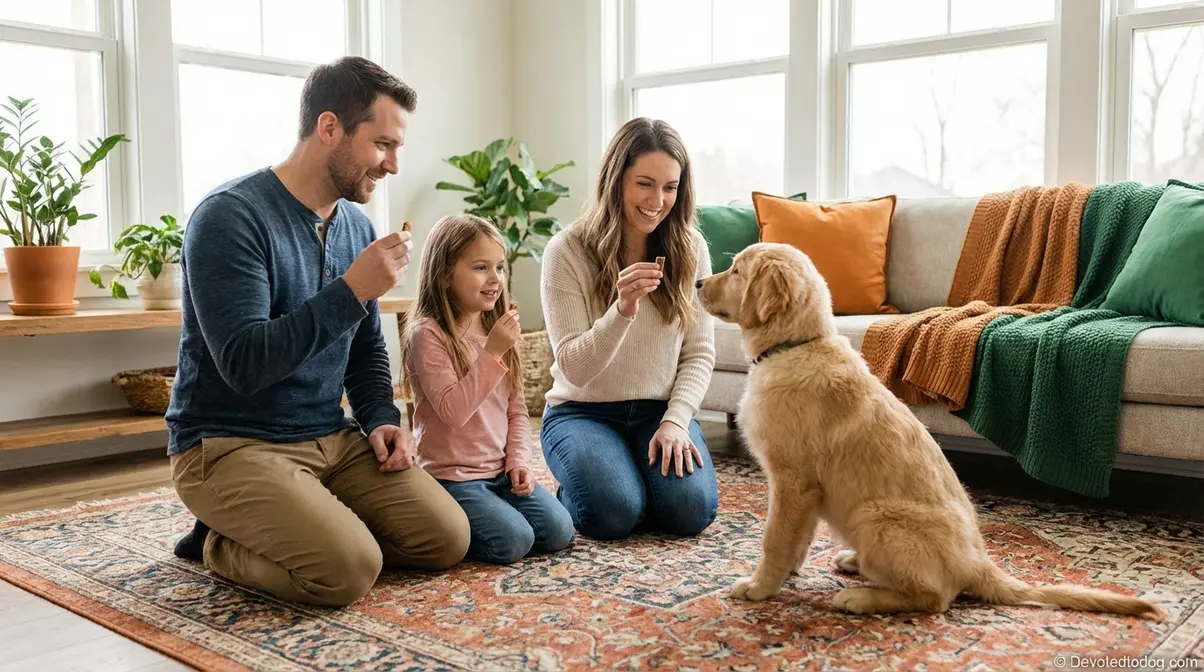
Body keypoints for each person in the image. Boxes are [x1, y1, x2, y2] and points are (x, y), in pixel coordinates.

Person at [164, 56, 470, 607]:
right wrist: (352, 290)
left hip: (329, 437)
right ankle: (218, 542)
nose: (393, 165)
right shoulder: (229, 217)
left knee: (446, 538)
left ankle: (302, 520)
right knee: (349, 570)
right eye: (382, 145)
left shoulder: (356, 228)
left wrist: (382, 419)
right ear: (330, 127)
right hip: (231, 442)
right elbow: (244, 365)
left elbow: (366, 350)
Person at [538, 117, 719, 541]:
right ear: (615, 179)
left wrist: (677, 421)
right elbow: (574, 369)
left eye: (670, 187)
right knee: (612, 514)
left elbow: (699, 352)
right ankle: (592, 484)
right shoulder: (566, 251)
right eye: (644, 184)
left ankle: (632, 477)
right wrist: (621, 311)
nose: (658, 201)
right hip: (581, 411)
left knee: (691, 511)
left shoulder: (690, 248)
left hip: (658, 411)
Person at [400, 214, 575, 565]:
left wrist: (518, 462)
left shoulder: (497, 329)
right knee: (514, 540)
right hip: (451, 478)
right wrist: (492, 352)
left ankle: (495, 509)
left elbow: (516, 411)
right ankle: (441, 520)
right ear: (444, 274)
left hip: (499, 473)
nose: (495, 278)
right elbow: (453, 412)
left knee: (559, 531)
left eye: (499, 267)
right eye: (481, 267)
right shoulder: (428, 334)